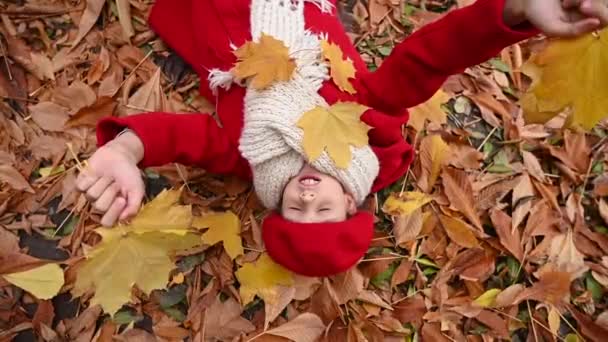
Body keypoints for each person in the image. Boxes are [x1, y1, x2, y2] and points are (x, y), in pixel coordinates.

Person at [76, 0, 608, 277]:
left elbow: (174, 135)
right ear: (351, 202)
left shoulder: (250, 156)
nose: (306, 200)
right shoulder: (367, 127)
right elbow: (429, 57)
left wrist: (124, 149)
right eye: (322, 212)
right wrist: (511, 13)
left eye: (294, 213)